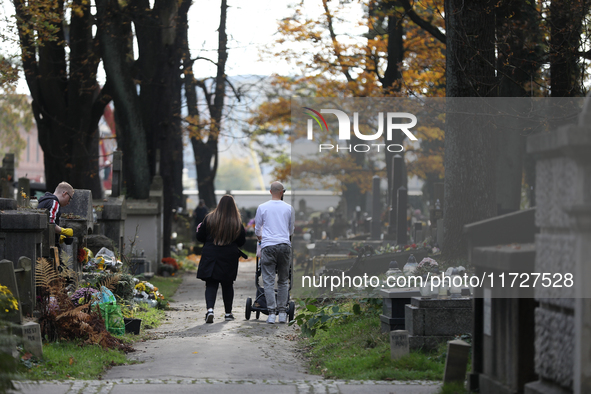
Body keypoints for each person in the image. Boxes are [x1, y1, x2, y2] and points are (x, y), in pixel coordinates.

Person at [196, 195, 246, 323]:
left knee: (211, 284)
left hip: (211, 254)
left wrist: (199, 230)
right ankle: (228, 313)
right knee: (227, 284)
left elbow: (200, 237)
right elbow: (241, 241)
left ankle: (210, 310)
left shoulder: (209, 218)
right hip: (228, 256)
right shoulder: (236, 222)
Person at [254, 181, 295, 324]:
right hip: (284, 245)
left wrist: (261, 237)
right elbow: (291, 230)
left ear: (270, 192)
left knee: (269, 281)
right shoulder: (289, 208)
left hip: (268, 245)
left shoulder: (262, 207)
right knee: (283, 280)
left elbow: (257, 228)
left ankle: (271, 313)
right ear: (282, 192)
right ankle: (282, 312)